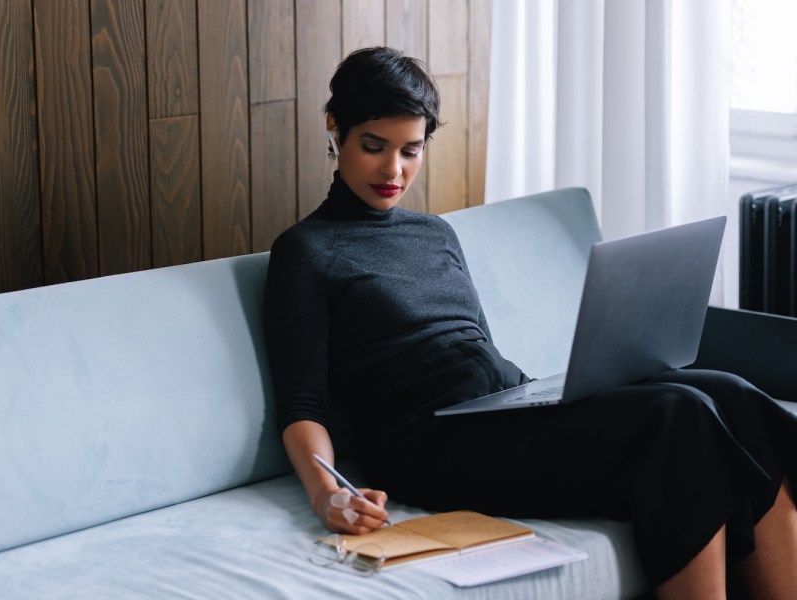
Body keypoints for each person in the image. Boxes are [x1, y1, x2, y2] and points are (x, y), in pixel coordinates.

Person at [264, 47, 797, 599]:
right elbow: (303, 403)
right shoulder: (306, 251)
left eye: (411, 150)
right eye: (373, 147)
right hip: (426, 442)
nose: (393, 170)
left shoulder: (434, 234)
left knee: (733, 394)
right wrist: (328, 493)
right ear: (335, 129)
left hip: (501, 409)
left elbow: (475, 350)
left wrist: (549, 396)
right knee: (678, 416)